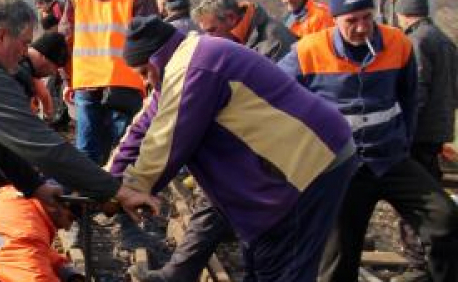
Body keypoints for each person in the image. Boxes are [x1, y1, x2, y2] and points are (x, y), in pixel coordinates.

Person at [112, 15, 357, 282]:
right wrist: (106, 182)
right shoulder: (185, 62)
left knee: (283, 265)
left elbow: (167, 139)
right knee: (263, 259)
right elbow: (141, 129)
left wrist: (133, 188)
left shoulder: (194, 68)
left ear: (156, 59)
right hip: (289, 162)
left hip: (309, 163)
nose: (147, 82)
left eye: (145, 73)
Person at [0, 0, 146, 267]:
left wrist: (34, 185)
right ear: (2, 35)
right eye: (25, 43)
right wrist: (118, 191)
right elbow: (46, 148)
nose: (24, 52)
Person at [277, 0, 458, 282]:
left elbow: (409, 96)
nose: (362, 27)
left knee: (445, 219)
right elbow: (275, 93)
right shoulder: (309, 51)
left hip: (390, 159)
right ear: (335, 20)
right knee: (337, 257)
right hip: (341, 168)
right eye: (352, 20)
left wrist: (404, 142)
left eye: (367, 17)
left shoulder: (397, 43)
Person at [59, 0, 159, 165]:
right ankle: (122, 198)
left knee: (86, 150)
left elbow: (65, 35)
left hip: (86, 78)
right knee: (125, 151)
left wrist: (67, 78)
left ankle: (86, 197)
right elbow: (151, 37)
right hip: (127, 79)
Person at [393, 0, 458, 282]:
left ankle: (420, 260)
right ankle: (432, 259)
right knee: (431, 192)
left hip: (419, 132)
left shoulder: (416, 41)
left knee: (417, 201)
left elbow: (416, 92)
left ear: (404, 14)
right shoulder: (444, 39)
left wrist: (404, 128)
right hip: (439, 128)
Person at [0, 184, 84, 282]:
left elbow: (27, 249)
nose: (68, 228)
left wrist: (63, 268)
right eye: (70, 219)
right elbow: (27, 258)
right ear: (56, 205)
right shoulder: (27, 232)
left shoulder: (12, 194)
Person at [192, 0, 297, 62]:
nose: (209, 38)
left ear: (231, 18)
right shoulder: (236, 40)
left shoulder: (273, 40)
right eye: (205, 32)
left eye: (212, 30)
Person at [13, 31, 69, 120]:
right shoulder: (21, 75)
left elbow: (44, 93)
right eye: (55, 67)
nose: (54, 73)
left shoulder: (21, 61)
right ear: (44, 57)